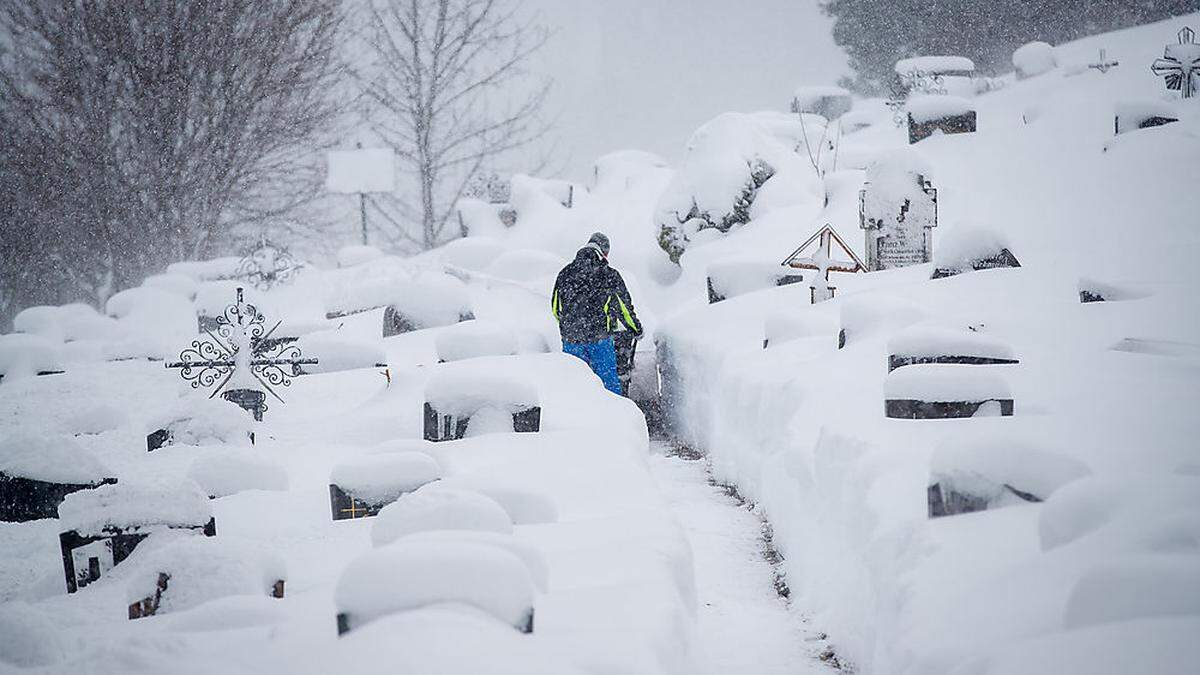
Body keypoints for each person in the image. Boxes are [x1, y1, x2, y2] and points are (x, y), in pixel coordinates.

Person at [551, 232, 642, 395]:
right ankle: (613, 415)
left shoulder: (564, 273)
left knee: (574, 385)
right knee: (608, 385)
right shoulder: (608, 274)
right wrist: (636, 329)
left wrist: (571, 324)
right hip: (598, 339)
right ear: (605, 252)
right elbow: (623, 308)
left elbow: (556, 308)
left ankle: (575, 417)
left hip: (571, 340)